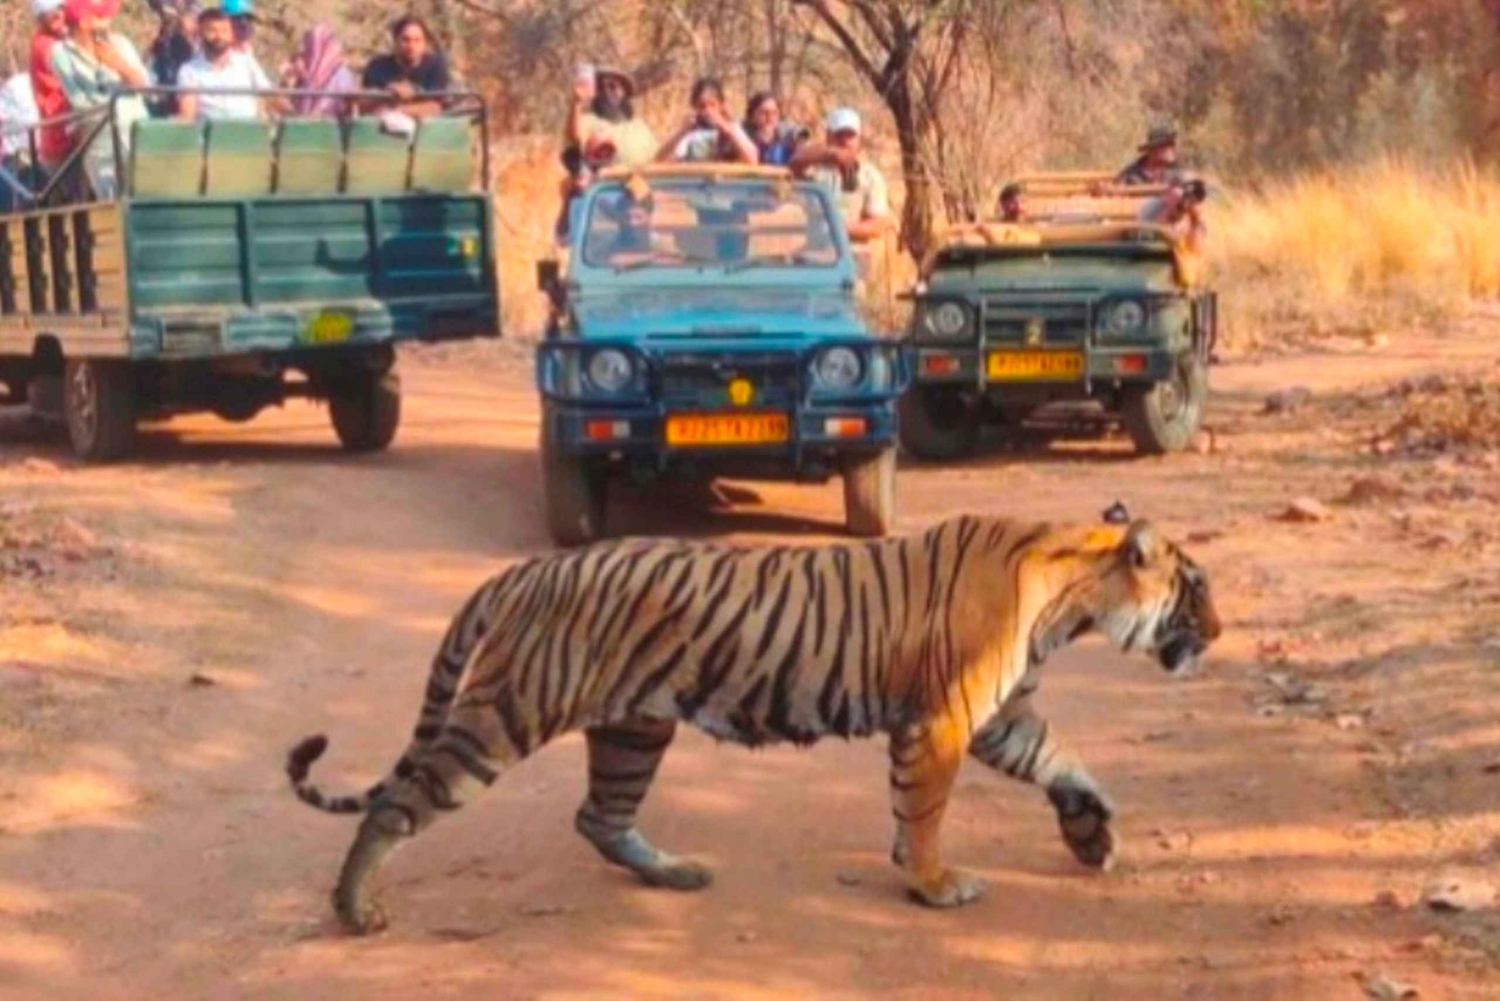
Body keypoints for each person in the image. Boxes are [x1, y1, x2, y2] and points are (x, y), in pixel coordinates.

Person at [49, 0, 151, 200]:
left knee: (146, 196)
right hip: (101, 142)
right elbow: (79, 102)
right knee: (115, 203)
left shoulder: (120, 43)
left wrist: (119, 65)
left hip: (137, 132)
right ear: (84, 22)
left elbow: (147, 87)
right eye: (101, 16)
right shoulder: (61, 53)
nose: (109, 20)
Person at [789, 107, 890, 243]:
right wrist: (830, 154)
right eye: (839, 135)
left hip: (852, 252)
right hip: (816, 250)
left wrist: (840, 227)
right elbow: (795, 162)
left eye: (850, 136)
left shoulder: (869, 176)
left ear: (859, 139)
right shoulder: (814, 170)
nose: (845, 141)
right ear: (828, 136)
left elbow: (878, 225)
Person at [176, 8, 273, 122]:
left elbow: (270, 96)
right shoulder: (189, 71)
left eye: (224, 31)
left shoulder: (247, 63)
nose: (219, 36)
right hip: (213, 136)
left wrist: (294, 115)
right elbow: (187, 116)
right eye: (212, 30)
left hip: (249, 132)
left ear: (231, 34)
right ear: (201, 33)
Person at [359, 15, 451, 120]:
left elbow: (435, 106)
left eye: (417, 40)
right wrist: (388, 93)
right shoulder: (377, 66)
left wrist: (399, 109)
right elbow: (363, 104)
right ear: (396, 41)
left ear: (425, 43)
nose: (411, 46)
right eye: (406, 40)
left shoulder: (435, 65)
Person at [29, 0, 73, 193]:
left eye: (61, 10)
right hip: (62, 140)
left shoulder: (54, 43)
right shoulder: (46, 46)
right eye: (53, 15)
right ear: (40, 19)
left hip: (66, 137)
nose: (60, 17)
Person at [657, 77, 755, 164]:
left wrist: (726, 129)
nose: (707, 111)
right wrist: (683, 132)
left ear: (721, 105)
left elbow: (752, 159)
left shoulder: (732, 128)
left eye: (712, 105)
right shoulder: (690, 132)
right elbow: (660, 161)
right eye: (702, 106)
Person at [279, 24, 359, 118]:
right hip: (303, 127)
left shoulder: (342, 74)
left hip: (332, 128)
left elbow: (351, 106)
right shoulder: (303, 74)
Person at [144, 0, 198, 118]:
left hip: (186, 73)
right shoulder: (152, 5)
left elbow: (199, 49)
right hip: (159, 73)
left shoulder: (194, 7)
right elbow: (145, 55)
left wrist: (188, 32)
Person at [1139, 179, 1207, 253]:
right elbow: (1160, 223)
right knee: (1174, 235)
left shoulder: (1194, 208)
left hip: (1167, 220)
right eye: (1191, 200)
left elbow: (1196, 231)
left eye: (1195, 202)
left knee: (1195, 229)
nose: (1192, 204)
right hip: (1151, 216)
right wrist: (1173, 239)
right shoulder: (1176, 196)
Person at [742, 90, 805, 166]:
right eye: (764, 113)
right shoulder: (743, 135)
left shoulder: (785, 132)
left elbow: (803, 138)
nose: (770, 117)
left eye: (774, 113)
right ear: (752, 116)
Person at [1117, 125, 1185, 187]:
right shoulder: (1130, 175)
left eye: (1172, 145)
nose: (1173, 149)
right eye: (1168, 145)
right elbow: (1116, 193)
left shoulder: (1177, 172)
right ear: (1154, 150)